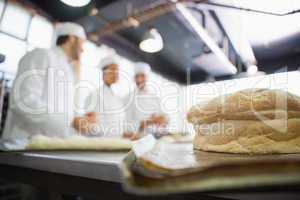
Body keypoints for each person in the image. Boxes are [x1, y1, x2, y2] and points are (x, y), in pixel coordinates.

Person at [2, 22, 95, 141]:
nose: (83, 50)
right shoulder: (42, 55)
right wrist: (71, 121)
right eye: (82, 43)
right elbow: (24, 101)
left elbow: (61, 112)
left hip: (50, 145)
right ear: (72, 38)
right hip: (23, 144)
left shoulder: (67, 69)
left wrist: (79, 119)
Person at [74, 56, 125, 137]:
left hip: (117, 142)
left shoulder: (117, 98)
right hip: (101, 144)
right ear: (104, 73)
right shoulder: (94, 96)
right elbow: (89, 126)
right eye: (113, 70)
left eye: (117, 70)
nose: (116, 73)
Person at [124, 62, 168, 139]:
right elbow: (126, 125)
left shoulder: (155, 98)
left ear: (147, 77)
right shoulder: (128, 98)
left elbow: (164, 119)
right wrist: (146, 122)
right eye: (137, 76)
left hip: (156, 137)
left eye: (142, 76)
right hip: (137, 138)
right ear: (134, 78)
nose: (139, 79)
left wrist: (163, 120)